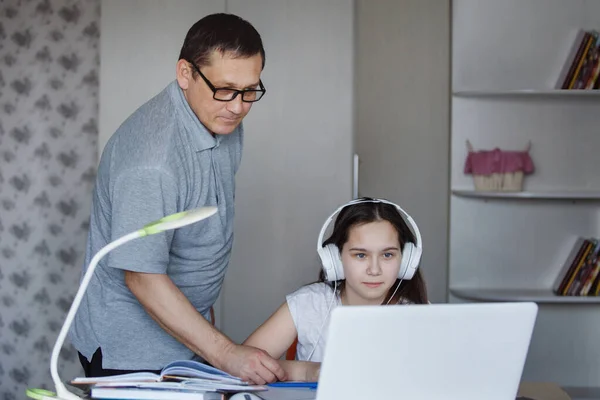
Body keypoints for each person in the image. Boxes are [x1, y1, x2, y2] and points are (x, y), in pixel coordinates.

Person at [69, 13, 286, 385]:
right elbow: (141, 276)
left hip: (184, 336)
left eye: (250, 90)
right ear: (185, 74)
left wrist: (205, 326)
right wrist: (225, 353)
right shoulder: (153, 163)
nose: (238, 106)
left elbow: (200, 231)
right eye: (226, 89)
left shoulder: (219, 118)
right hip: (130, 351)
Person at [243, 197, 429, 381]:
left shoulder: (421, 315)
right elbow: (242, 367)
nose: (374, 269)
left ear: (406, 261)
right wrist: (308, 371)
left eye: (387, 254)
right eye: (361, 255)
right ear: (335, 258)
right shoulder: (309, 304)